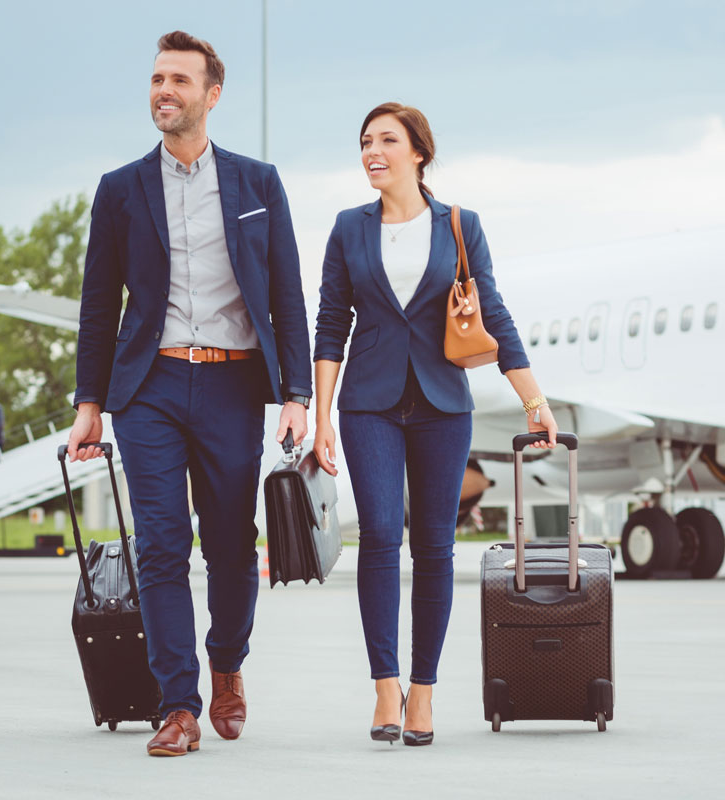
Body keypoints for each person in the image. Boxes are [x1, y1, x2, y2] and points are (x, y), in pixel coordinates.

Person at [67, 31, 311, 757]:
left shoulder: (257, 183)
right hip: (150, 385)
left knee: (234, 546)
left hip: (235, 383)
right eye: (155, 80)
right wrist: (89, 402)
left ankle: (228, 662)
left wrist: (295, 390)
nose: (163, 91)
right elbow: (95, 303)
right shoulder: (119, 189)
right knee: (163, 545)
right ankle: (178, 704)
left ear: (212, 93)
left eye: (178, 79)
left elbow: (287, 295)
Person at [313, 102, 558, 747]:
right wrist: (321, 417)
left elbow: (494, 313)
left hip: (443, 402)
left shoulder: (458, 225)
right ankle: (385, 687)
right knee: (379, 537)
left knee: (435, 547)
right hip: (367, 401)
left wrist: (534, 401)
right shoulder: (348, 228)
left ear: (418, 152)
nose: (373, 151)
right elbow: (330, 325)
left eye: (387, 140)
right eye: (365, 141)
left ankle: (424, 691)